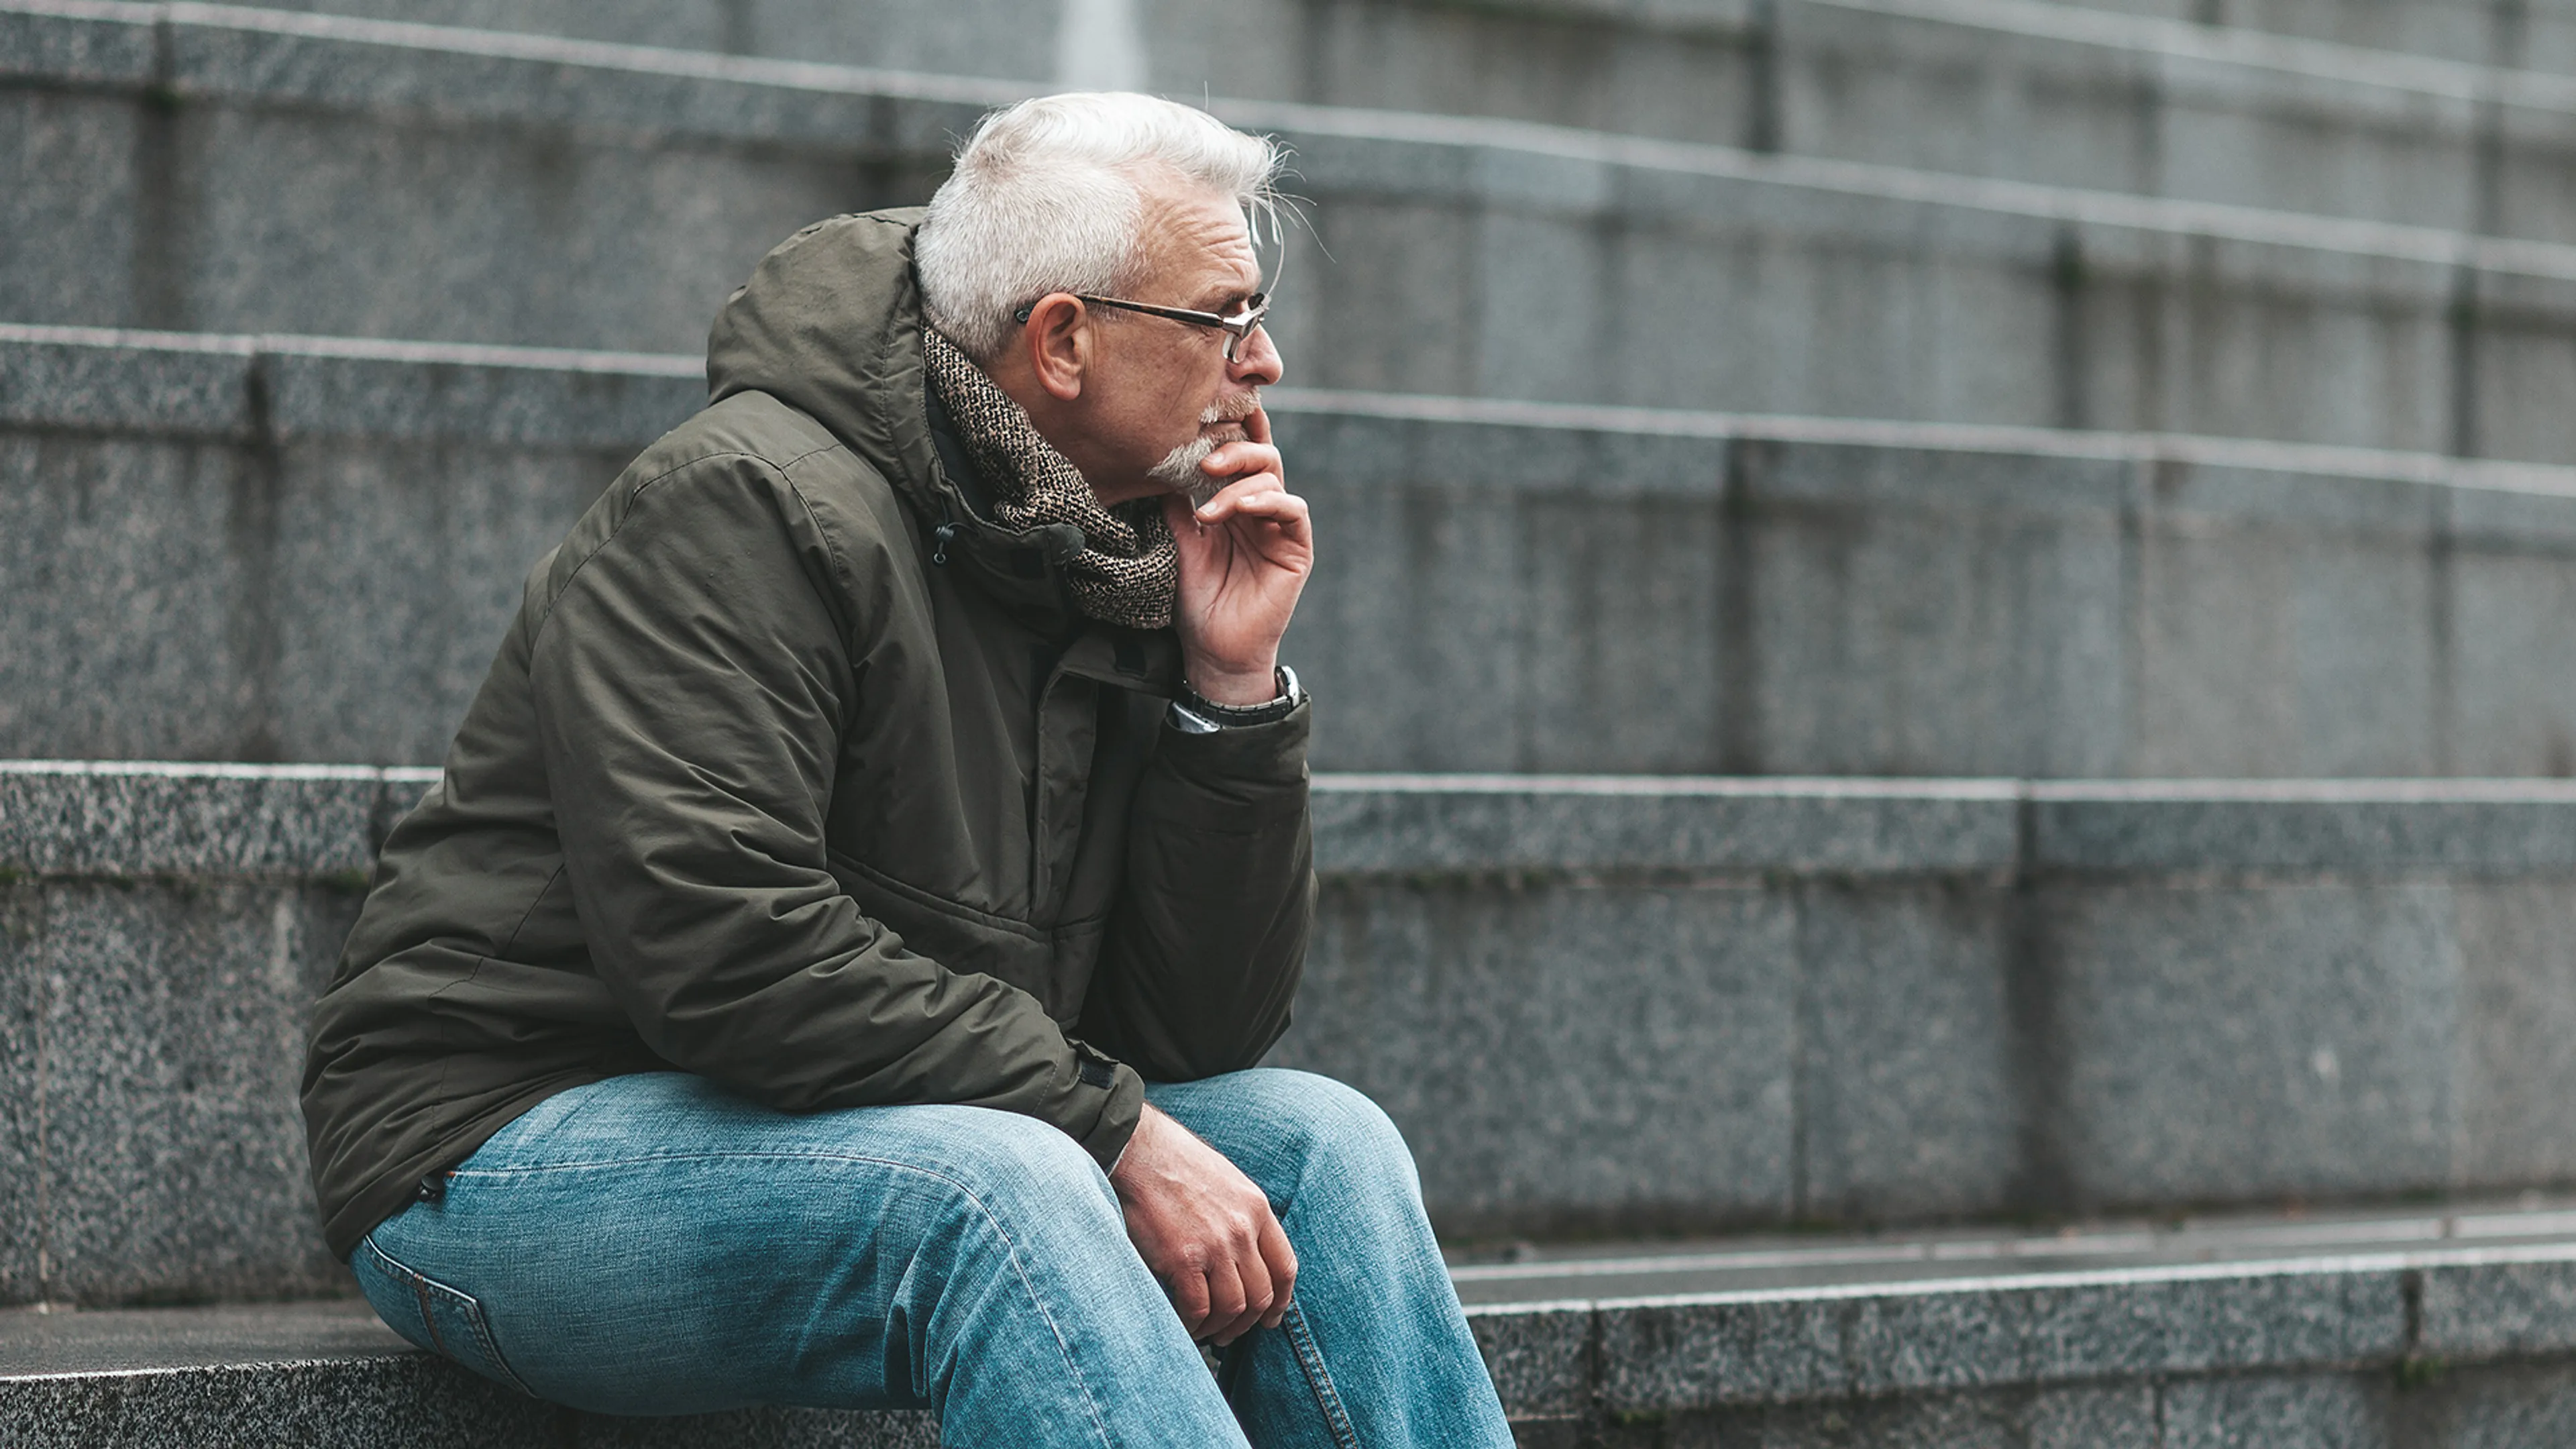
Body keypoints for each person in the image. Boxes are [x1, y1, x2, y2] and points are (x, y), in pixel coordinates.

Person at [300, 91, 1515, 1446]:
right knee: (998, 1187)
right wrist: (1108, 1129)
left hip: (850, 1116)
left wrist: (1228, 695)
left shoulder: (1107, 551)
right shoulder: (743, 507)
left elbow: (1191, 1038)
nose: (1267, 360)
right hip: (495, 1154)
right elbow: (729, 949)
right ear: (1062, 341)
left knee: (1322, 1150)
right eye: (1225, 316)